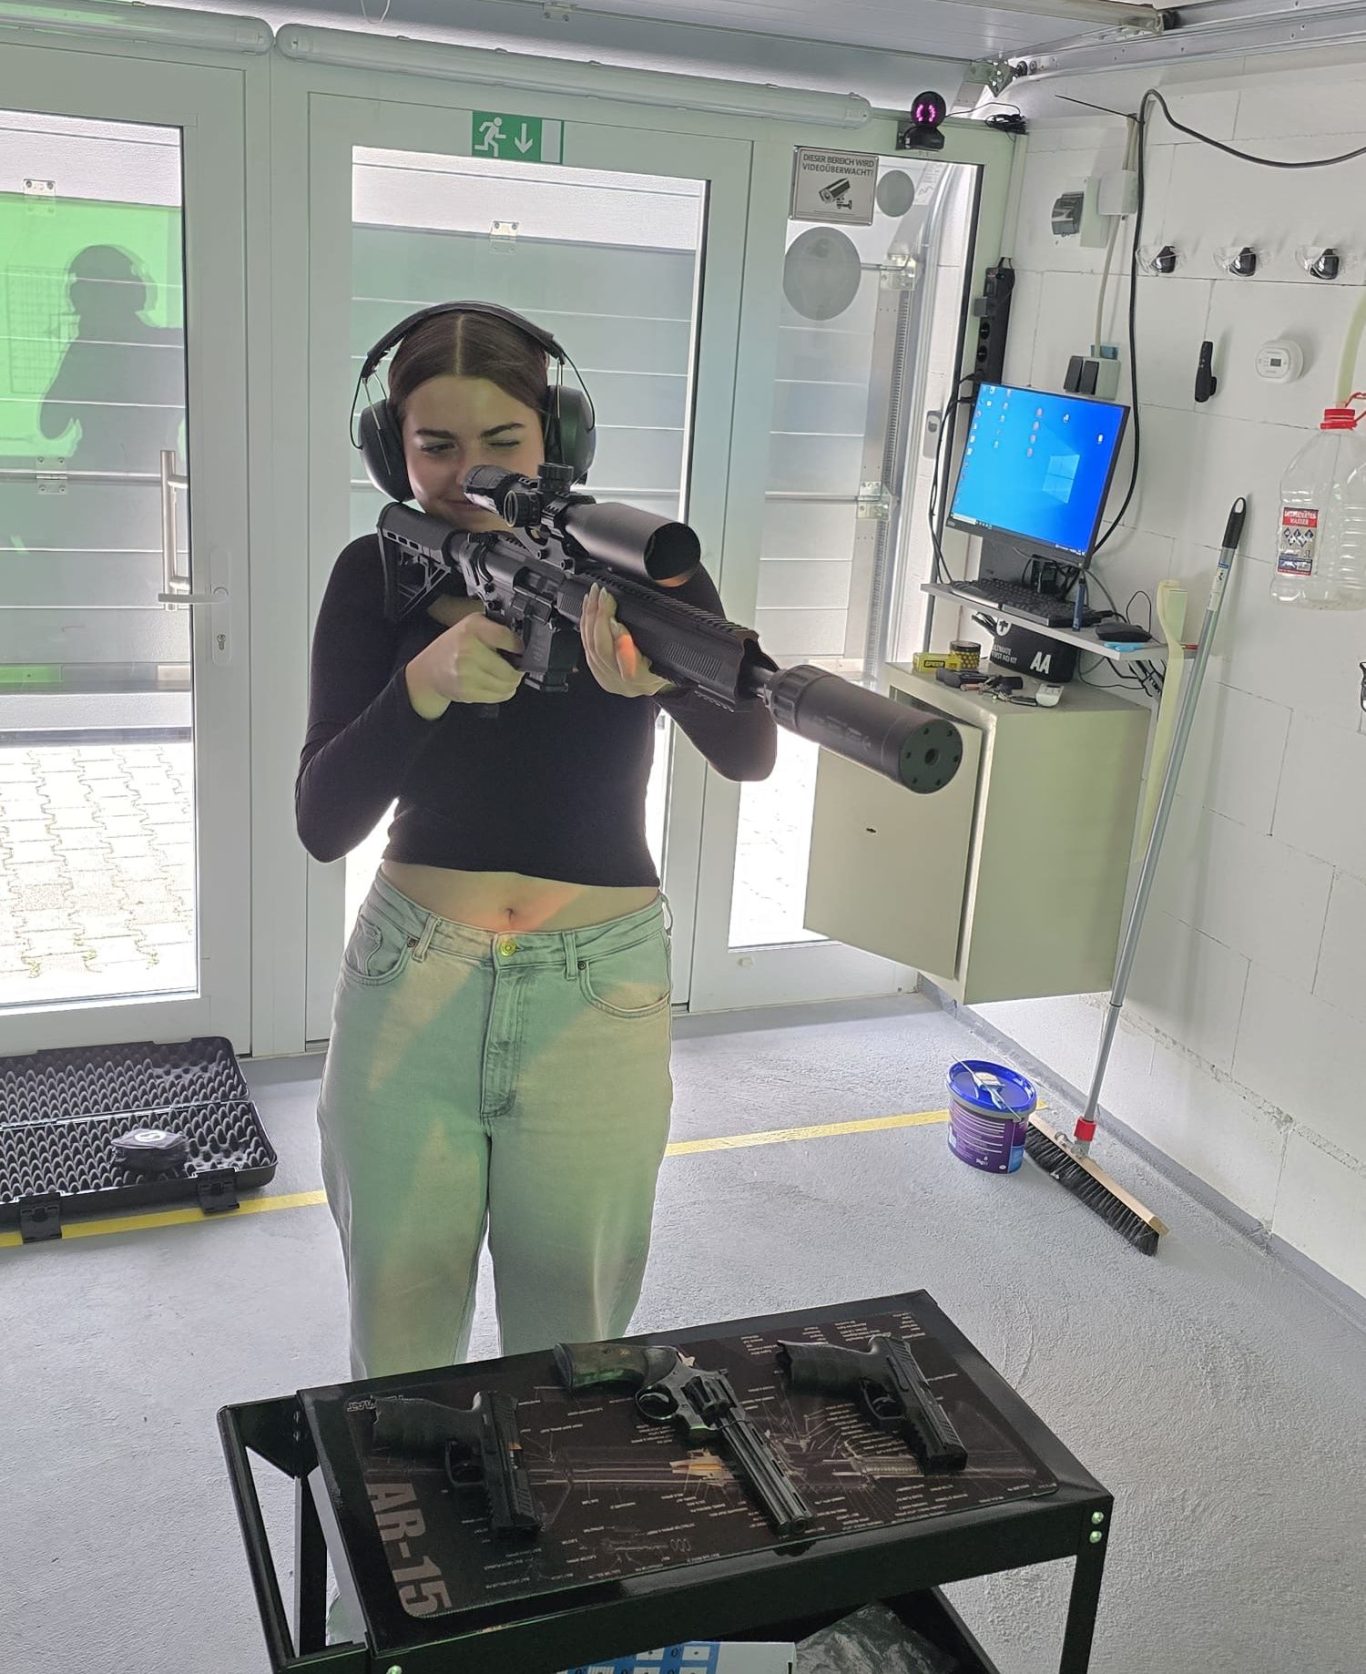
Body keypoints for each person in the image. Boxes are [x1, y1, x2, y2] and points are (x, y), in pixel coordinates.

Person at [297, 301, 777, 1391]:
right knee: (401, 1354)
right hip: (413, 977)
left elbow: (749, 750)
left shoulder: (639, 565)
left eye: (503, 443)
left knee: (581, 1354)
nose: (471, 476)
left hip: (597, 993)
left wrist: (661, 681)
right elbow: (323, 821)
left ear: (557, 438)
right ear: (390, 449)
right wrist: (420, 687)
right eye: (437, 447)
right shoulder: (376, 574)